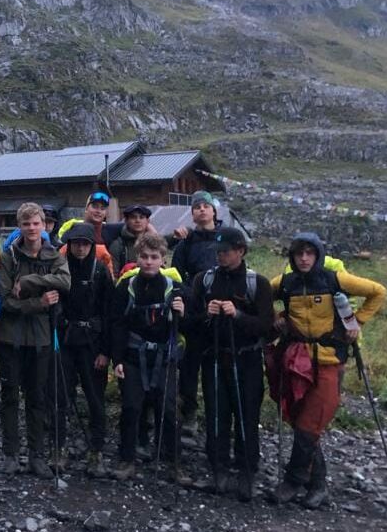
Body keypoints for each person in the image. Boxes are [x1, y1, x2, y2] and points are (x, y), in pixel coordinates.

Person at [269, 233, 386, 509]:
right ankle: (318, 486)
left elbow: (378, 292)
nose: (304, 258)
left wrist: (357, 322)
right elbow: (261, 294)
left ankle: (293, 480)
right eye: (299, 254)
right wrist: (274, 317)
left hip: (329, 361)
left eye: (310, 253)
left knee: (310, 423)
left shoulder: (335, 280)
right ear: (292, 257)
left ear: (318, 254)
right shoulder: (285, 283)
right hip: (296, 361)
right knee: (301, 422)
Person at [188, 227, 273, 501]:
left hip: (247, 359)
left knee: (247, 414)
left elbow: (267, 327)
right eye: (219, 251)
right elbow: (189, 322)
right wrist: (206, 315)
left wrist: (237, 314)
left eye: (227, 251)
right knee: (216, 413)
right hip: (214, 356)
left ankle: (247, 471)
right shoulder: (204, 280)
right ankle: (218, 469)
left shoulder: (257, 283)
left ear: (241, 251)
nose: (221, 256)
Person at [0, 202, 71, 478]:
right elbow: (5, 302)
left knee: (38, 397)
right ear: (20, 226)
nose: (31, 228)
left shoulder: (54, 255)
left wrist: (28, 283)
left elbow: (65, 283)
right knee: (9, 397)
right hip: (9, 338)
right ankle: (10, 455)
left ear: (44, 225)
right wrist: (39, 302)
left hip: (40, 338)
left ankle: (37, 455)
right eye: (26, 224)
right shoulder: (7, 258)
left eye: (36, 223)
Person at [110, 233, 191, 484]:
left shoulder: (175, 288)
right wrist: (118, 360)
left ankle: (173, 463)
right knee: (132, 408)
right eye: (144, 257)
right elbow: (117, 325)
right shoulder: (127, 286)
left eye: (154, 257)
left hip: (164, 358)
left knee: (168, 411)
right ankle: (127, 459)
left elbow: (191, 326)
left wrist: (183, 313)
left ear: (162, 259)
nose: (148, 262)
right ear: (137, 257)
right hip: (134, 357)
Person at [51, 223, 115, 477]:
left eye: (85, 244)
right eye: (75, 243)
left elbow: (110, 314)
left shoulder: (100, 272)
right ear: (68, 244)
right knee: (59, 397)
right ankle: (58, 448)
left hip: (92, 344)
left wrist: (106, 352)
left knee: (95, 399)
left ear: (92, 246)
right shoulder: (59, 270)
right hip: (65, 342)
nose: (80, 248)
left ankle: (96, 451)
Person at [170, 190, 223, 435]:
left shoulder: (227, 239)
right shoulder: (186, 243)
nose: (201, 209)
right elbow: (176, 276)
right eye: (196, 207)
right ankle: (189, 413)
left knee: (217, 366)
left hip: (222, 312)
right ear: (192, 213)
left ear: (214, 210)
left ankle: (218, 414)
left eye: (206, 205)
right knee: (190, 367)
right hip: (193, 313)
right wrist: (190, 299)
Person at [56, 191, 118, 274]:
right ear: (86, 208)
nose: (98, 211)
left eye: (102, 208)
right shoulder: (72, 229)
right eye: (95, 207)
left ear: (106, 213)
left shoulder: (111, 230)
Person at [108, 204, 152, 274]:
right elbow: (113, 275)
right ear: (126, 221)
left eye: (141, 217)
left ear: (148, 221)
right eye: (133, 217)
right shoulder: (118, 246)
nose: (137, 220)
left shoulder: (153, 243)